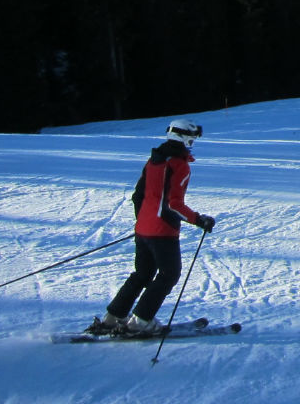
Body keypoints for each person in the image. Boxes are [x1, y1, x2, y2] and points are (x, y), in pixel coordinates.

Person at [90, 119, 216, 335]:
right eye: (192, 138)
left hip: (145, 228)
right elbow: (172, 205)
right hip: (163, 231)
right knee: (169, 274)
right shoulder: (179, 164)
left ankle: (113, 317)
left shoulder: (154, 160)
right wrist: (199, 220)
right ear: (184, 138)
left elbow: (137, 196)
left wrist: (143, 223)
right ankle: (141, 321)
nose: (193, 142)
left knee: (143, 273)